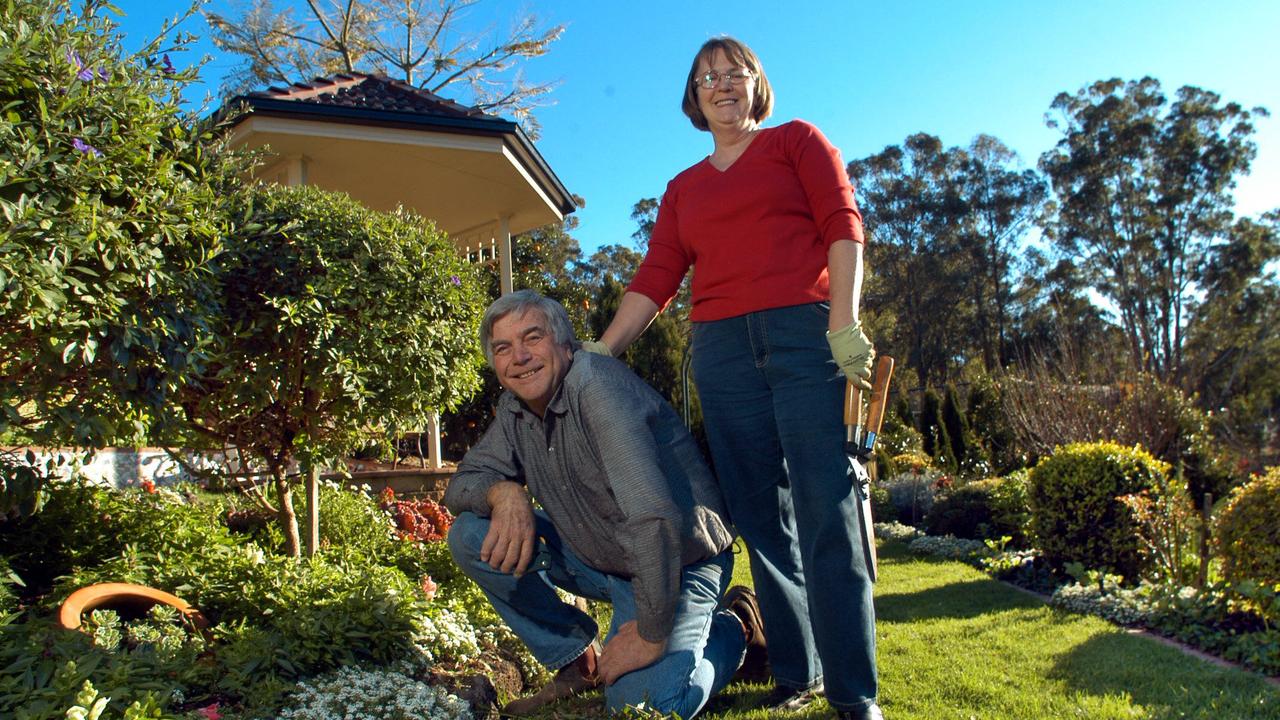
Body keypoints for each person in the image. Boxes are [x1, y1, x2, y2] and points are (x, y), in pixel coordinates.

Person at [582, 36, 883, 720]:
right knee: (758, 517)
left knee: (827, 511)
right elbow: (657, 276)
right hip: (720, 352)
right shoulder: (683, 189)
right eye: (706, 77)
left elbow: (843, 225)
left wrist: (843, 323)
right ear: (693, 97)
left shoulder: (796, 143)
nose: (721, 85)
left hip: (804, 339)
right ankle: (796, 670)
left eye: (733, 73)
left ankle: (854, 693)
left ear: (755, 85)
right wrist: (603, 351)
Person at [443, 290, 768, 718]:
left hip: (679, 563)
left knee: (647, 706)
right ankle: (576, 660)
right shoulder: (515, 409)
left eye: (532, 338)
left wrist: (651, 635)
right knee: (471, 534)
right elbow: (462, 485)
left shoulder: (598, 388)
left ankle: (736, 629)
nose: (518, 357)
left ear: (565, 343)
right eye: (503, 348)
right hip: (600, 558)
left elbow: (655, 519)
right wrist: (504, 493)